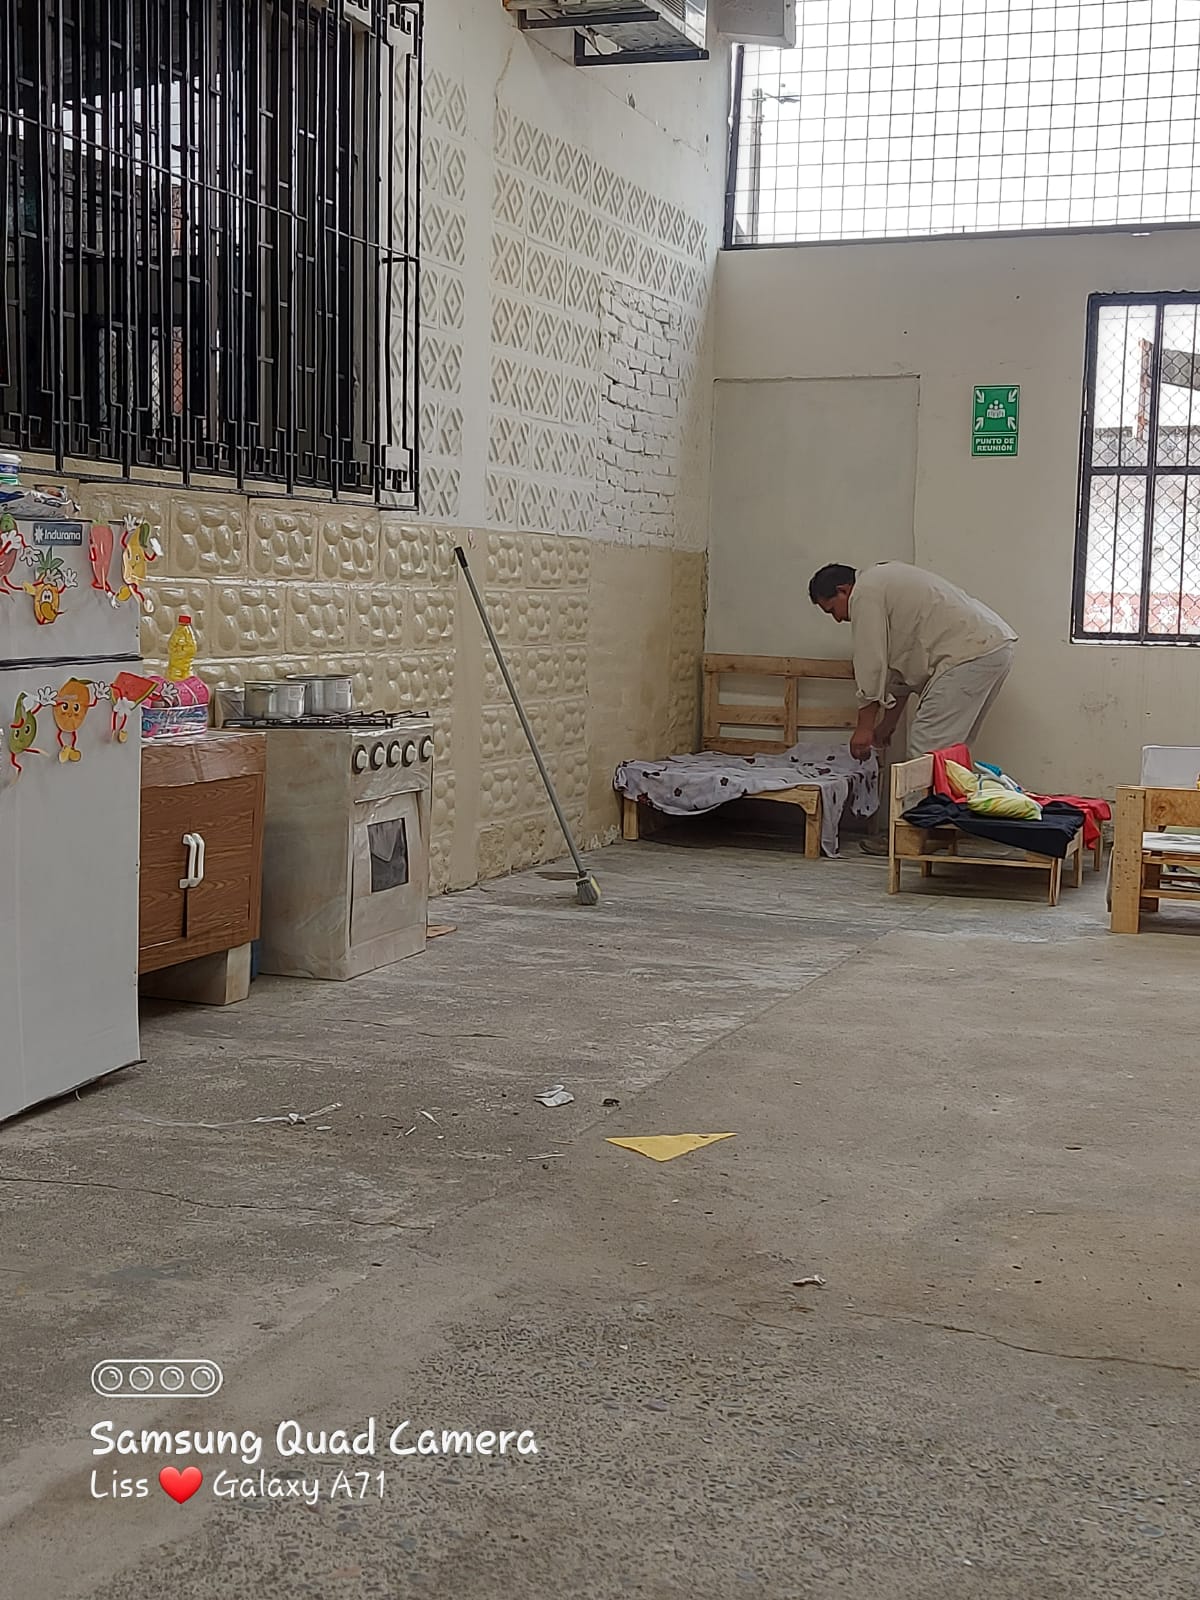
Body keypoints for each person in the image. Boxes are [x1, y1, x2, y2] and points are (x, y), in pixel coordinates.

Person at [809, 556, 1017, 774]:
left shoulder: (864, 592)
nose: (838, 619)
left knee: (924, 752)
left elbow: (870, 664)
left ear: (843, 590)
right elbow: (901, 673)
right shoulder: (884, 583)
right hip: (990, 648)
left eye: (832, 610)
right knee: (948, 755)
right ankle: (944, 797)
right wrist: (888, 724)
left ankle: (918, 799)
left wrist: (864, 728)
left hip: (968, 654)